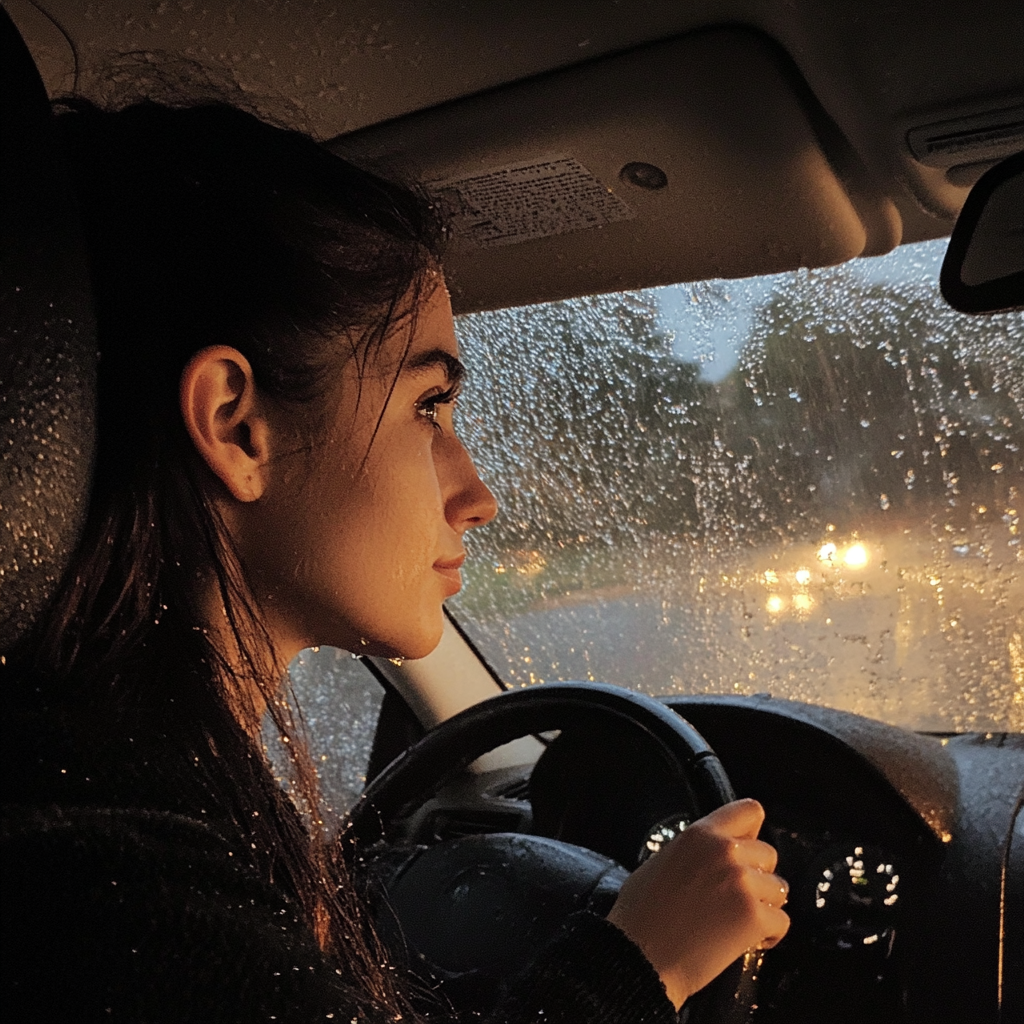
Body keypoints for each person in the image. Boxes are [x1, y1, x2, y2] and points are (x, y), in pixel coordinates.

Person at [0, 98, 789, 1022]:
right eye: (428, 408)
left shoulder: (100, 775)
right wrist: (639, 963)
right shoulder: (111, 869)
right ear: (237, 426)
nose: (478, 496)